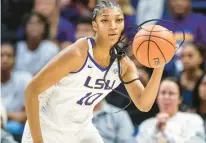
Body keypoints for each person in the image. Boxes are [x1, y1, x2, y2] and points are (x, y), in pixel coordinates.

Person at [22, 1, 165, 143]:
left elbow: (144, 104)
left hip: (81, 130)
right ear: (95, 25)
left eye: (118, 20)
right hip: (47, 127)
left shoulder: (124, 64)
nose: (113, 26)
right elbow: (31, 91)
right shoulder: (78, 53)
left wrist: (159, 67)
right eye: (105, 20)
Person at [136, 77, 206, 142]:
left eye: (171, 93)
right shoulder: (146, 125)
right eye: (163, 93)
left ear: (180, 99)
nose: (166, 97)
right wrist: (155, 131)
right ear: (157, 97)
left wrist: (166, 132)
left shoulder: (193, 120)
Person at [1, 42, 32, 140]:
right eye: (1, 55)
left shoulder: (25, 79)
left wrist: (5, 115)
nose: (5, 60)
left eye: (9, 56)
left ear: (15, 59)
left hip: (21, 134)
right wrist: (14, 115)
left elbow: (30, 115)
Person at [15, 11, 59, 75]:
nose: (34, 26)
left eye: (39, 23)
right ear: (24, 28)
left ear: (45, 28)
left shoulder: (52, 49)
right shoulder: (16, 48)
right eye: (30, 23)